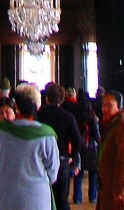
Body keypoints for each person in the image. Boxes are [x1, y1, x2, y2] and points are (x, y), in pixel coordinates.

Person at [0, 82, 59, 210]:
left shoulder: (1, 131)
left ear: (16, 106)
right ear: (38, 107)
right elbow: (53, 173)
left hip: (4, 196)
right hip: (36, 198)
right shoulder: (47, 135)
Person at [38, 82, 82, 210]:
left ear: (46, 98)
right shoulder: (68, 117)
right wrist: (72, 156)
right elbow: (77, 140)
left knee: (44, 199)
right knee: (62, 200)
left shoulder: (39, 115)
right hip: (61, 159)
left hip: (41, 160)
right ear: (62, 99)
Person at [73, 88, 101, 205]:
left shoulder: (75, 117)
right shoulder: (93, 119)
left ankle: (77, 198)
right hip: (91, 148)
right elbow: (96, 135)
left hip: (79, 148)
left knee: (78, 174)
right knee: (93, 173)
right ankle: (92, 196)